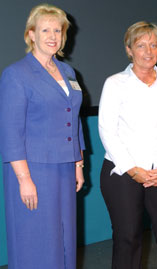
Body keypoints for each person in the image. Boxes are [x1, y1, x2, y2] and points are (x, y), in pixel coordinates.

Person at [0, 3, 85, 269]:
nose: (52, 36)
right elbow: (10, 130)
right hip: (33, 170)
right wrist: (24, 179)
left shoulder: (68, 72)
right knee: (36, 239)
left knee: (64, 238)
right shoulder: (16, 74)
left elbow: (73, 118)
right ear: (31, 35)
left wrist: (78, 164)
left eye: (57, 31)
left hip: (64, 167)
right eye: (45, 29)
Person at [98, 21, 157, 269]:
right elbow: (107, 130)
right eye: (141, 45)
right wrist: (133, 169)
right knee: (128, 238)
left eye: (154, 45)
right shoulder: (115, 83)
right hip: (123, 171)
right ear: (129, 50)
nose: (148, 51)